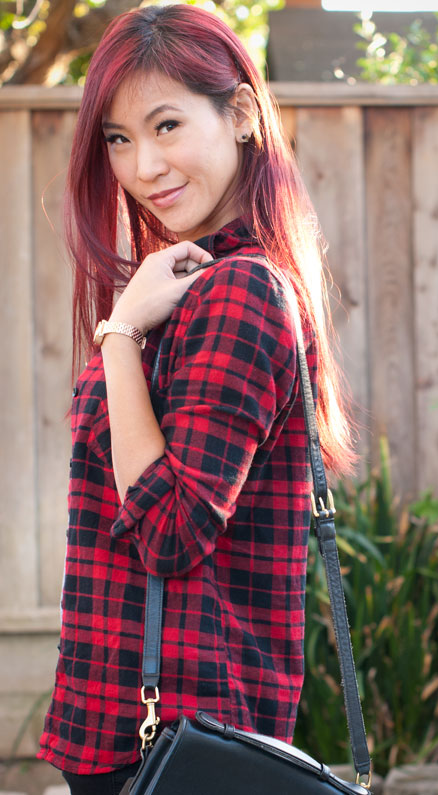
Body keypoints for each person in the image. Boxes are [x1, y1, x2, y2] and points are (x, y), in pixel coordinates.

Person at [37, 5, 355, 794]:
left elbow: (171, 531)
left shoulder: (240, 290)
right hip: (139, 726)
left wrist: (118, 339)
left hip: (172, 733)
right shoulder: (184, 286)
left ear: (241, 114)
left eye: (167, 124)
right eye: (118, 138)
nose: (143, 165)